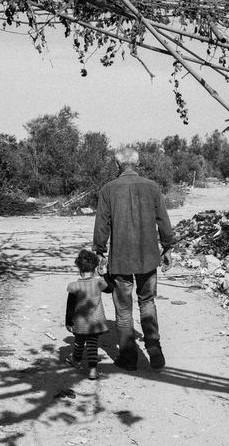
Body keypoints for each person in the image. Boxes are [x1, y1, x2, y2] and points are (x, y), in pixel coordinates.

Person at [93, 147, 174, 371]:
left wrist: (99, 252)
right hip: (148, 257)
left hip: (120, 259)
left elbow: (101, 225)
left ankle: (129, 358)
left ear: (117, 165)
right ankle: (154, 349)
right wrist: (168, 247)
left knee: (123, 309)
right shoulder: (152, 187)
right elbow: (163, 220)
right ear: (136, 164)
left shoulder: (108, 189)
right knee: (147, 302)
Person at [65, 249, 112, 380]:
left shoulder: (74, 286)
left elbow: (70, 306)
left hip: (80, 322)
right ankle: (92, 370)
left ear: (79, 269)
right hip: (96, 322)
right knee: (92, 345)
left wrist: (68, 322)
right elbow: (110, 288)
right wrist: (105, 274)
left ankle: (76, 359)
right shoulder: (99, 283)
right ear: (95, 268)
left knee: (79, 342)